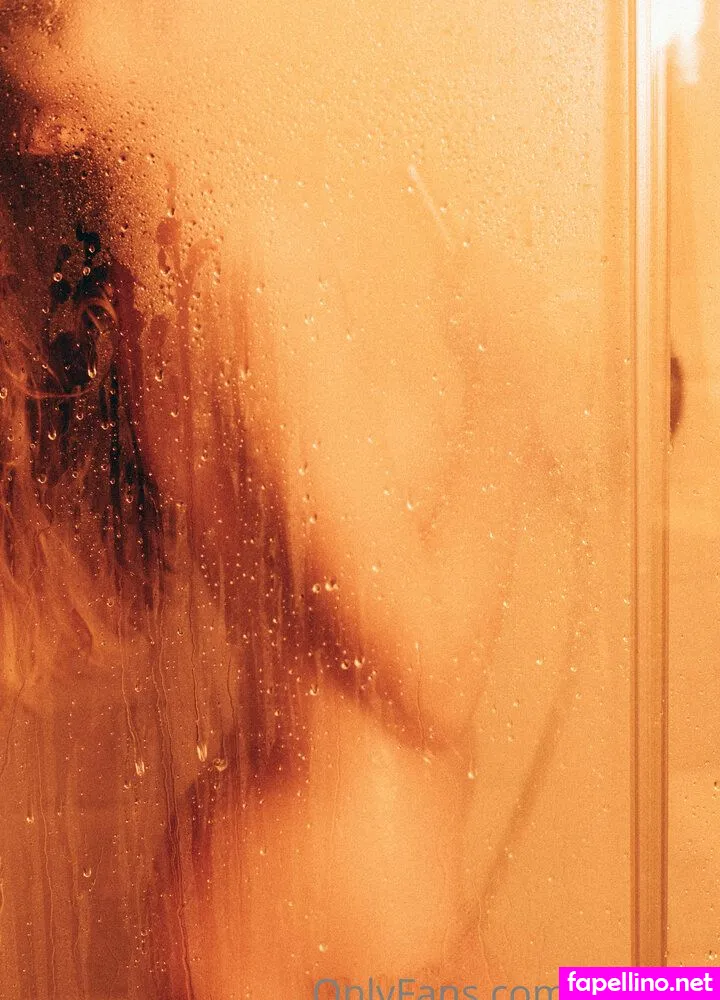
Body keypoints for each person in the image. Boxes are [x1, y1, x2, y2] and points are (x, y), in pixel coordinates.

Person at [0, 2, 629, 997]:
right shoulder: (245, 250)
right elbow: (430, 673)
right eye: (50, 9)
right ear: (50, 127)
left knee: (652, 982)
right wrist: (506, 385)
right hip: (328, 915)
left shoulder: (162, 266)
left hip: (336, 899)